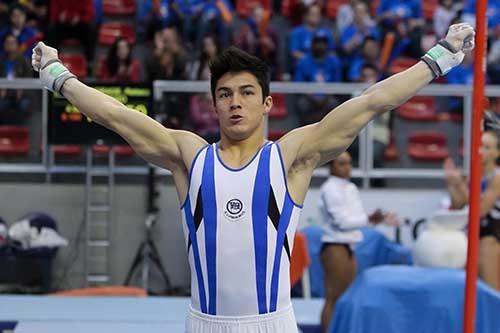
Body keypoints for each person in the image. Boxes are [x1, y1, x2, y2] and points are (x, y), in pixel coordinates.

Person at [31, 22, 474, 332]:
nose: (235, 102)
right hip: (203, 324)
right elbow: (117, 116)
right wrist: (56, 75)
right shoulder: (189, 156)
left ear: (267, 104)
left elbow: (371, 103)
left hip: (271, 324)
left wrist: (439, 58)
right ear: (214, 104)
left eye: (246, 93)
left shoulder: (290, 158)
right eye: (224, 94)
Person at [319, 151, 400, 332]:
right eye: (341, 163)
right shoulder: (329, 189)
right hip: (335, 247)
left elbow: (357, 218)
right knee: (333, 297)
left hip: (349, 246)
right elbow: (342, 222)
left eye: (349, 163)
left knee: (347, 297)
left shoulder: (351, 188)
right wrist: (370, 219)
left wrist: (375, 218)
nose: (347, 168)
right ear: (331, 166)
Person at [443, 130, 500, 290]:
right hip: (471, 235)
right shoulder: (472, 175)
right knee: (467, 289)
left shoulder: (497, 178)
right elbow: (458, 207)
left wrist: (460, 185)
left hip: (491, 236)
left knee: (491, 289)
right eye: (479, 145)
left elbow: (480, 210)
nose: (481, 150)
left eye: (487, 147)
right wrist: (452, 184)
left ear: (497, 153)